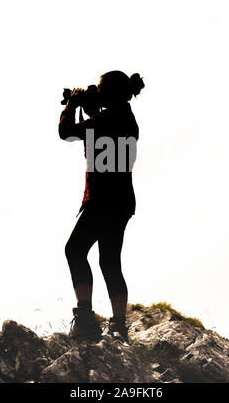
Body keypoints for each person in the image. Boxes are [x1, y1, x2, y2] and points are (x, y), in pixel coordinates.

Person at [58, 70, 145, 342]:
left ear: (107, 93)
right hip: (122, 201)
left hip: (100, 199)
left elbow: (67, 133)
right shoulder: (128, 119)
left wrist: (72, 106)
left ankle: (85, 318)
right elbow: (99, 128)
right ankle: (119, 325)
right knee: (109, 261)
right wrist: (90, 107)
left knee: (74, 250)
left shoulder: (104, 119)